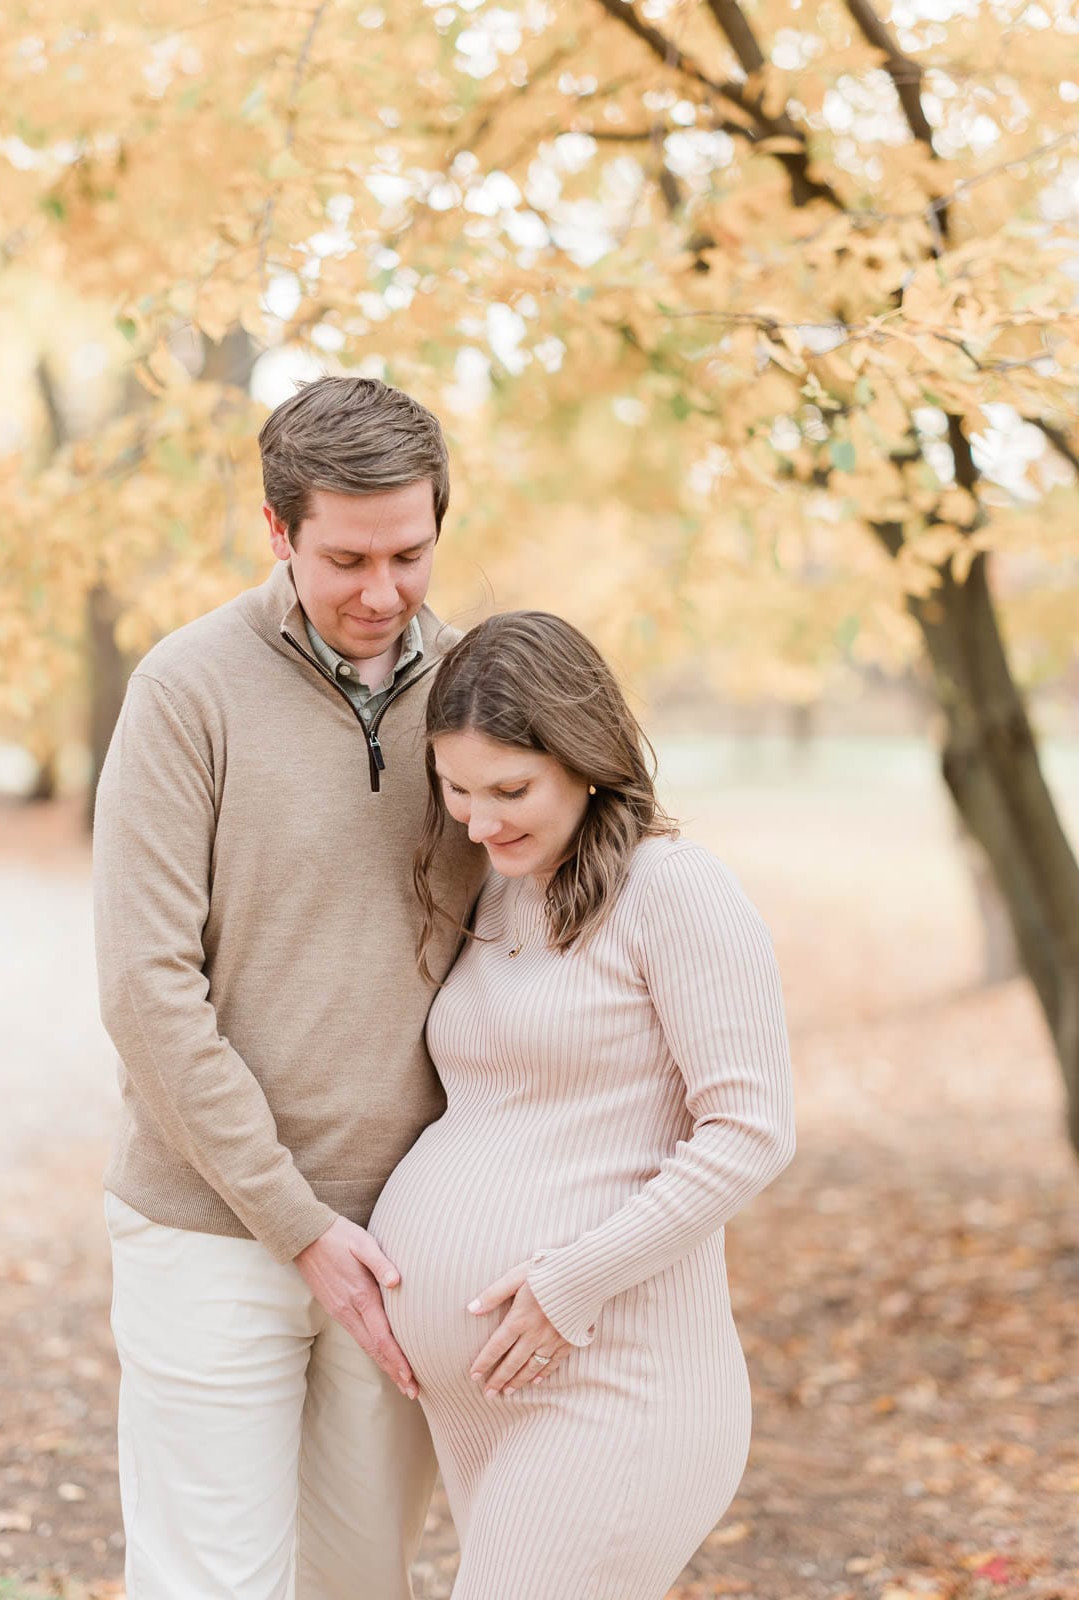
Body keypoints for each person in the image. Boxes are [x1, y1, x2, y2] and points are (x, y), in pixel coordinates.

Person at [92, 375, 486, 1600]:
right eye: (346, 558)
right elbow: (147, 990)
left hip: (410, 1240)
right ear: (278, 531)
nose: (381, 593)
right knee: (211, 1581)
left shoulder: (482, 690)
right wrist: (296, 1221)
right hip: (209, 1229)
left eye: (410, 554)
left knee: (364, 1581)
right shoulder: (186, 690)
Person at [369, 610, 796, 1600]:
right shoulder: (502, 890)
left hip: (617, 1386)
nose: (481, 822)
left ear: (587, 755)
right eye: (458, 791)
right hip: (494, 1405)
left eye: (511, 790)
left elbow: (752, 1129)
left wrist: (574, 1280)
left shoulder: (673, 891)